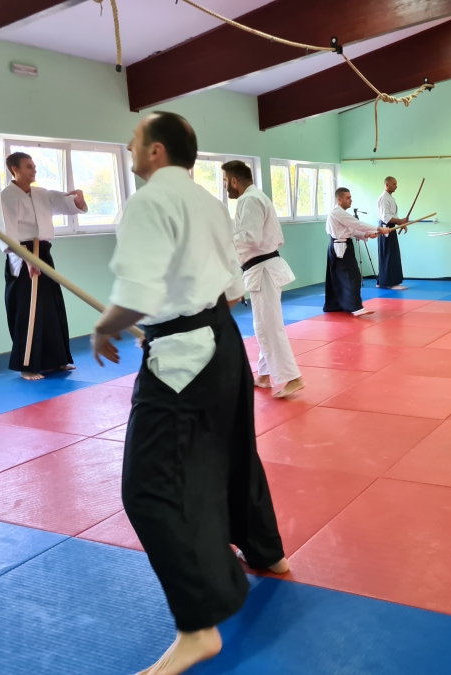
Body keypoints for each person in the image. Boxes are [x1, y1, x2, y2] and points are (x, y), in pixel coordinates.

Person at [91, 112, 288, 675]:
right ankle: (267, 552)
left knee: (148, 488)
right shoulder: (207, 201)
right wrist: (179, 318)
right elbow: (230, 288)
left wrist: (105, 327)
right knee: (233, 452)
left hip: (183, 360)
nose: (129, 145)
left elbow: (137, 292)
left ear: (156, 151)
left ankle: (198, 627)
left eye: (135, 139)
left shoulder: (149, 201)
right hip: (223, 342)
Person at [0, 152, 87, 380]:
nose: (34, 170)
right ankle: (27, 365)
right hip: (21, 255)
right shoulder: (3, 198)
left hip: (43, 253)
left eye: (34, 166)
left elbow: (69, 204)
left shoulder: (42, 193)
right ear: (15, 169)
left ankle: (56, 360)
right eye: (28, 166)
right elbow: (6, 234)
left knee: (51, 306)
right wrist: (27, 260)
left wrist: (79, 198)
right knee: (27, 309)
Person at [222, 160, 304, 399]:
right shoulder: (256, 197)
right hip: (261, 268)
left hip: (263, 269)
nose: (225, 186)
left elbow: (250, 237)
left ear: (234, 181)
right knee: (264, 325)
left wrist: (223, 240)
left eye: (225, 181)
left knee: (268, 326)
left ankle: (292, 377)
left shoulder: (249, 200)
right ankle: (265, 375)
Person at [323, 187, 389, 317]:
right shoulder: (338, 212)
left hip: (341, 246)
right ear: (339, 199)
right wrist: (378, 229)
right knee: (352, 276)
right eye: (348, 198)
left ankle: (337, 305)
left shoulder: (340, 213)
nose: (351, 200)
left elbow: (351, 230)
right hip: (341, 247)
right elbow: (357, 224)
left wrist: (366, 234)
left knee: (339, 277)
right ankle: (355, 307)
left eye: (350, 197)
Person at [376, 176, 409, 290]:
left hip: (389, 227)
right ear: (387, 185)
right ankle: (392, 283)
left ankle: (382, 281)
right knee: (390, 255)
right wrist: (400, 221)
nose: (396, 186)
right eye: (394, 184)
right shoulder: (384, 198)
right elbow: (386, 218)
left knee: (388, 254)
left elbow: (392, 216)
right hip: (386, 229)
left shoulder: (389, 198)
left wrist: (401, 224)